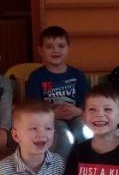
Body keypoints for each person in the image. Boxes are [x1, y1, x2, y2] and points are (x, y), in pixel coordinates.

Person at [24, 25, 90, 157]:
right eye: (49, 47)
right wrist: (52, 115)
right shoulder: (36, 77)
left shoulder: (77, 74)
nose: (56, 50)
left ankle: (88, 166)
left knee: (85, 133)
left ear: (68, 49)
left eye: (61, 46)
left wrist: (79, 111)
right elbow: (33, 106)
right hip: (50, 119)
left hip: (77, 116)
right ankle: (58, 168)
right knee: (64, 137)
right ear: (40, 50)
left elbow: (88, 101)